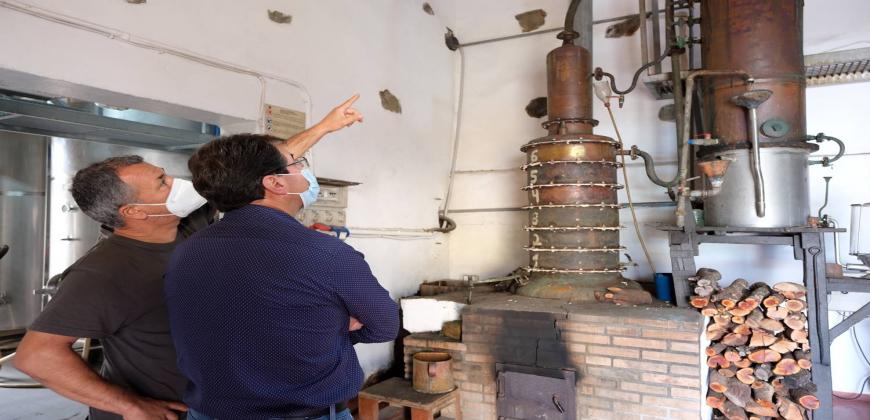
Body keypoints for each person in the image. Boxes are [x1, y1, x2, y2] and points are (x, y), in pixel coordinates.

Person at [14, 95, 364, 420]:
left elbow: (265, 164)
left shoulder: (189, 224)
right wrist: (130, 405)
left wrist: (325, 127)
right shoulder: (104, 271)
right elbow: (37, 356)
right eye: (163, 182)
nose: (178, 183)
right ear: (135, 210)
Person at [164, 133, 399, 420]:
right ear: (274, 183)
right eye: (296, 163)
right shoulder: (326, 254)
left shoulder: (185, 251)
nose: (305, 170)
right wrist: (330, 326)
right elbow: (385, 325)